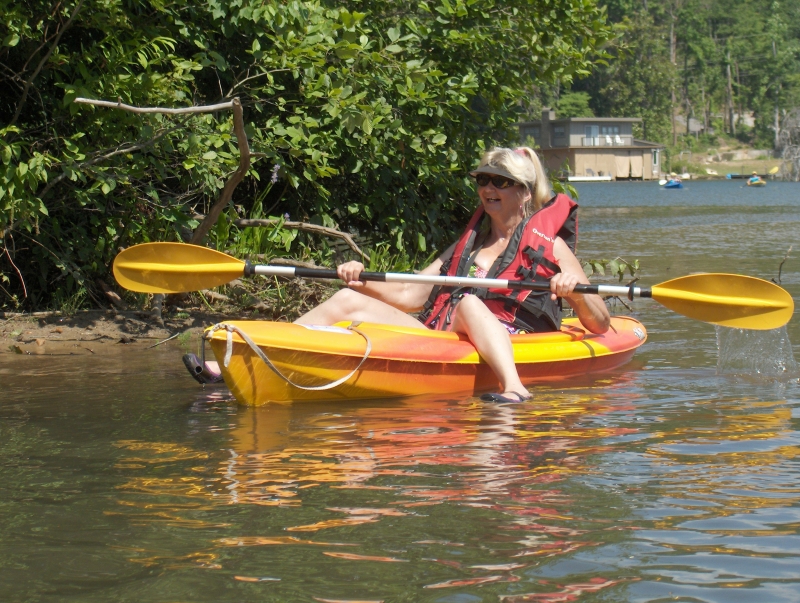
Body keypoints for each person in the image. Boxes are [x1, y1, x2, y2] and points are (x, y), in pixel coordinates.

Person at [296, 147, 610, 402]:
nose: (488, 188)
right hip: (443, 334)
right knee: (348, 298)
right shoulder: (467, 247)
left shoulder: (552, 247)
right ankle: (277, 348)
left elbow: (600, 322)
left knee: (469, 303)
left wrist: (576, 294)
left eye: (500, 182)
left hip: (513, 339)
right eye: (483, 180)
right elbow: (409, 294)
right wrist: (361, 279)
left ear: (525, 192)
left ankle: (514, 388)